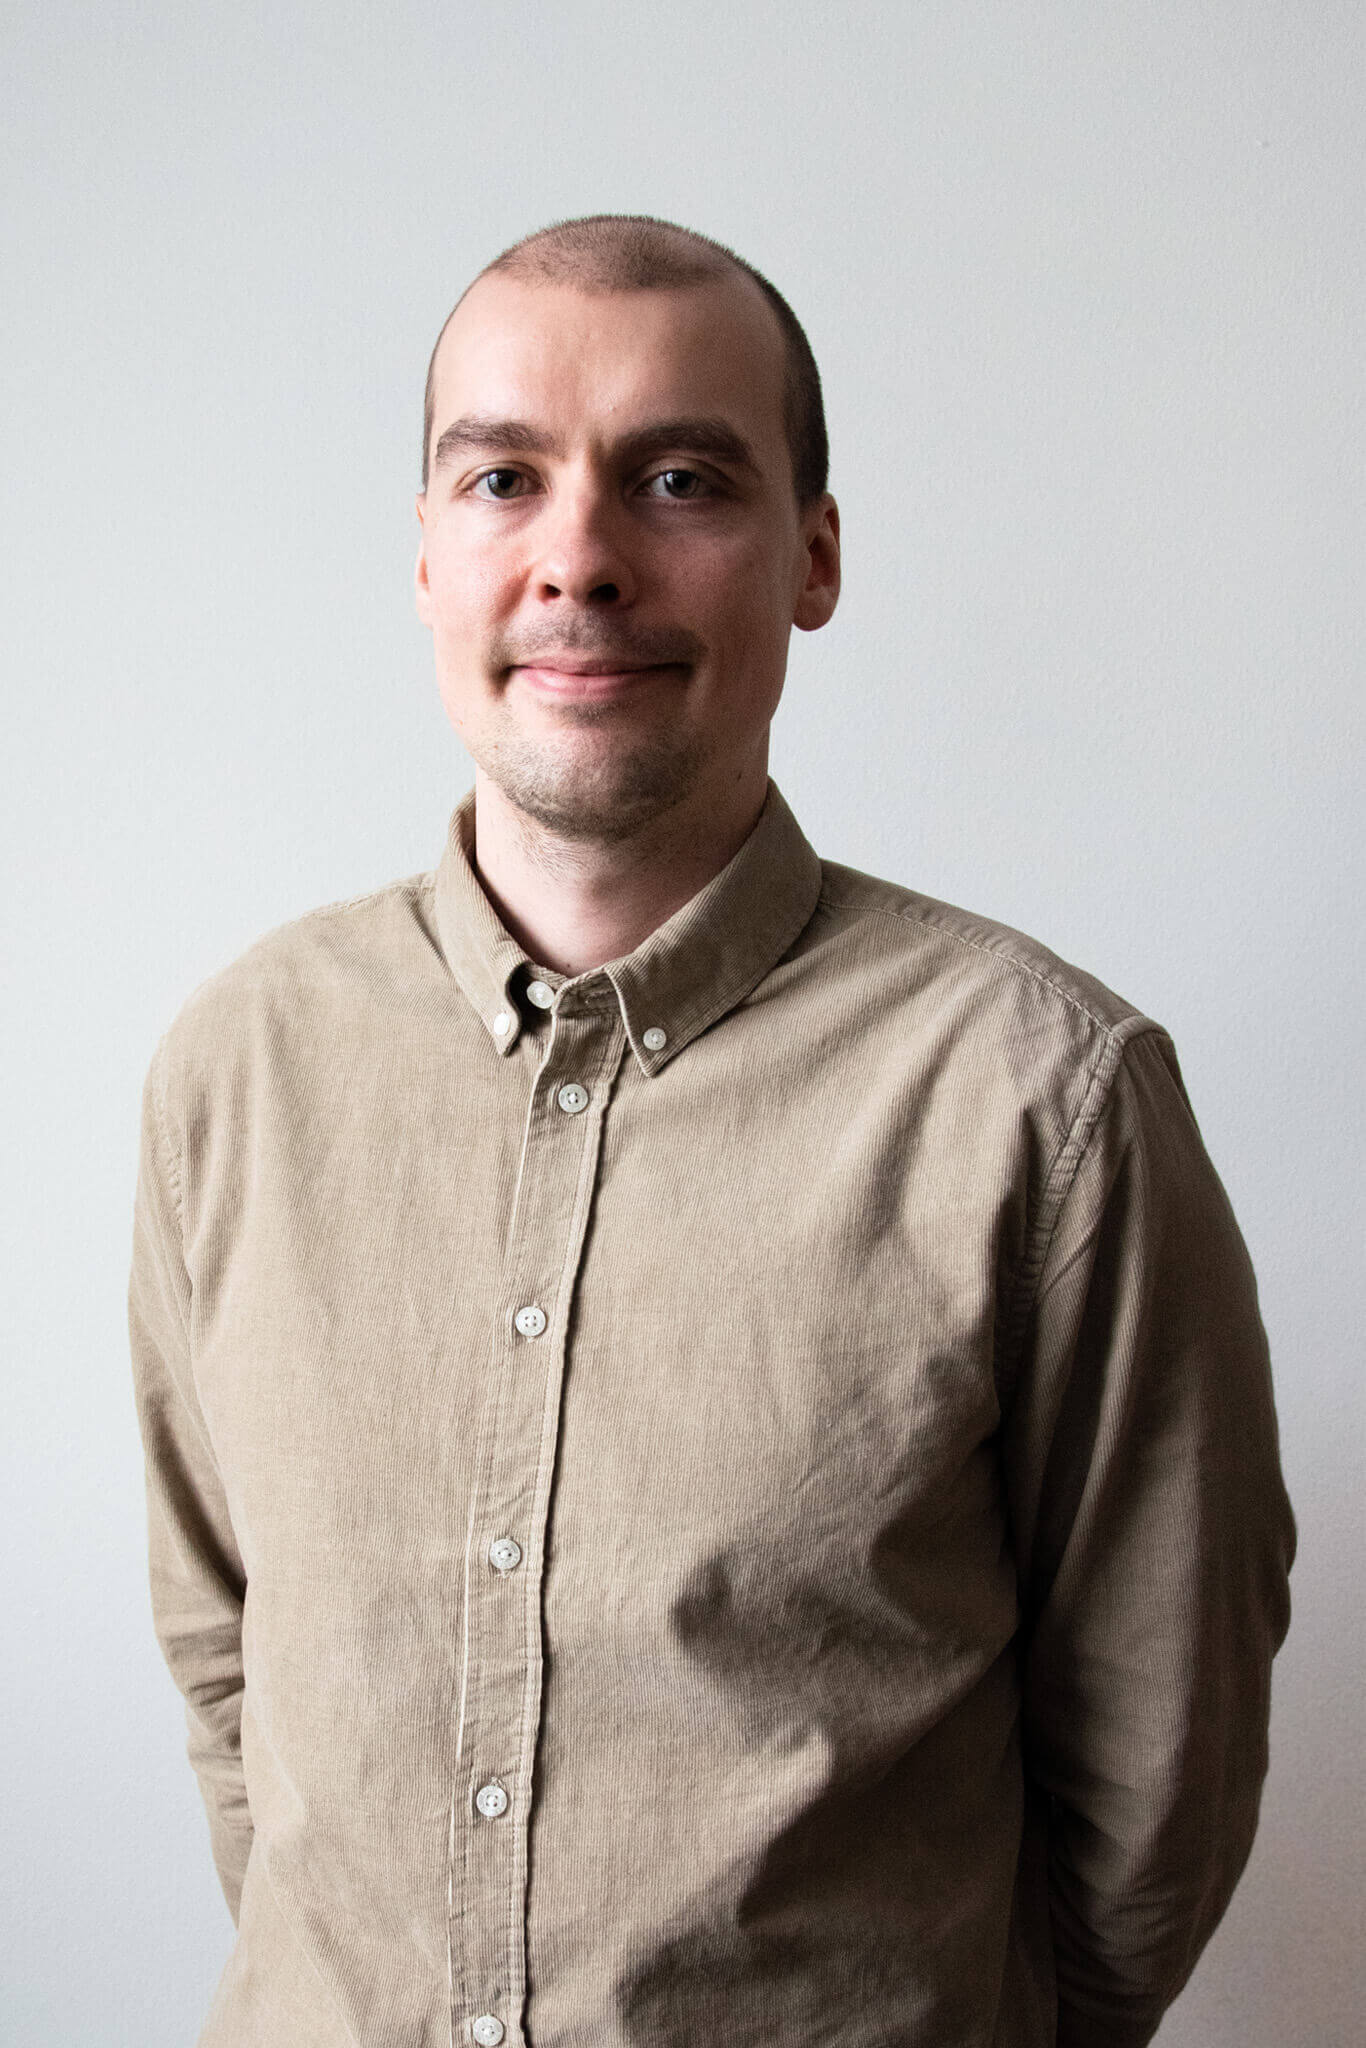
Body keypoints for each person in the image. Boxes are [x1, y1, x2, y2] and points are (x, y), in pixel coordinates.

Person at [128, 214, 1294, 2048]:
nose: (579, 560)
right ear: (426, 553)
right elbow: (228, 1675)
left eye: (678, 480)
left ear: (812, 555)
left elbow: (1162, 1766)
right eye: (503, 478)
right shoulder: (237, 1071)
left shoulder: (1045, 1102)